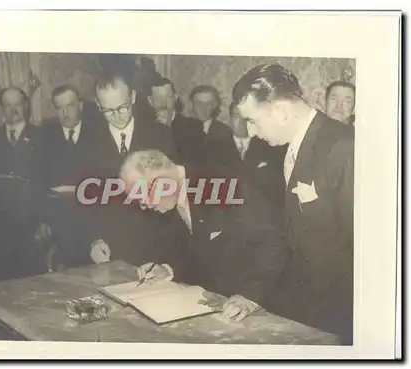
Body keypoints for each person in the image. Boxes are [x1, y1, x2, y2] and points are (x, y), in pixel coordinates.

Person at [232, 63, 354, 344]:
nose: (250, 132)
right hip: (305, 309)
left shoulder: (344, 147)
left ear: (280, 112)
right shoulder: (286, 150)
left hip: (339, 320)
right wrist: (255, 295)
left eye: (253, 120)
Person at [119, 149, 289, 322]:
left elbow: (272, 243)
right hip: (221, 304)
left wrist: (250, 297)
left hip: (265, 305)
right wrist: (168, 269)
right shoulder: (172, 198)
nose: (146, 205)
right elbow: (191, 244)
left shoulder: (221, 184)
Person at [85, 70, 185, 267]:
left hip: (156, 246)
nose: (117, 116)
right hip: (110, 249)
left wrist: (168, 259)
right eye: (108, 110)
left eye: (122, 107)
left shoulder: (160, 135)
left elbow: (173, 194)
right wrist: (95, 239)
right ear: (98, 105)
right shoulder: (87, 142)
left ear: (132, 97)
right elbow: (85, 197)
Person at [0, 87, 44, 282]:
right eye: (8, 105)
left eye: (17, 104)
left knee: (31, 281)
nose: (13, 109)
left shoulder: (41, 137)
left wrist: (43, 220)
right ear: (1, 108)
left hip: (31, 224)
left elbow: (46, 180)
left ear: (25, 105)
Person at [34, 84, 97, 269]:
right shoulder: (45, 135)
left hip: (92, 217)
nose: (65, 112)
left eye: (70, 105)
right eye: (59, 108)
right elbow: (37, 180)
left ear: (80, 106)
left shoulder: (97, 133)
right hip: (58, 218)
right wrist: (42, 219)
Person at [222, 102, 287, 208]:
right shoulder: (214, 148)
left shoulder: (272, 147)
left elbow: (277, 190)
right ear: (229, 118)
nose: (242, 121)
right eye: (237, 115)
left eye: (247, 117)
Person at [147, 77, 205, 174]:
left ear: (176, 97)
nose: (164, 104)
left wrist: (167, 130)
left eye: (168, 98)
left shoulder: (194, 127)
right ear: (150, 101)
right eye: (158, 99)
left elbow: (193, 165)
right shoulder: (144, 129)